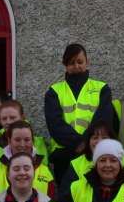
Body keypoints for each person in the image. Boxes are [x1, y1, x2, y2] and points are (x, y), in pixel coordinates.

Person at [44, 43, 114, 180]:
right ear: (64, 64)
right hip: (64, 157)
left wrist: (86, 144)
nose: (76, 66)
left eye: (80, 62)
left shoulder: (102, 89)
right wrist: (81, 144)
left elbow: (103, 120)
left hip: (93, 154)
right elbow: (55, 125)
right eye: (71, 63)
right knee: (67, 198)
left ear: (87, 62)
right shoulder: (54, 91)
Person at [0, 121, 56, 200]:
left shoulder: (45, 172)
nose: (22, 145)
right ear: (9, 141)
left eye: (27, 140)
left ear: (33, 141)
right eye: (17, 140)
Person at [0, 100, 51, 164]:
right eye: (4, 119)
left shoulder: (38, 143)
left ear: (22, 117)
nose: (8, 122)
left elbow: (43, 170)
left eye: (12, 118)